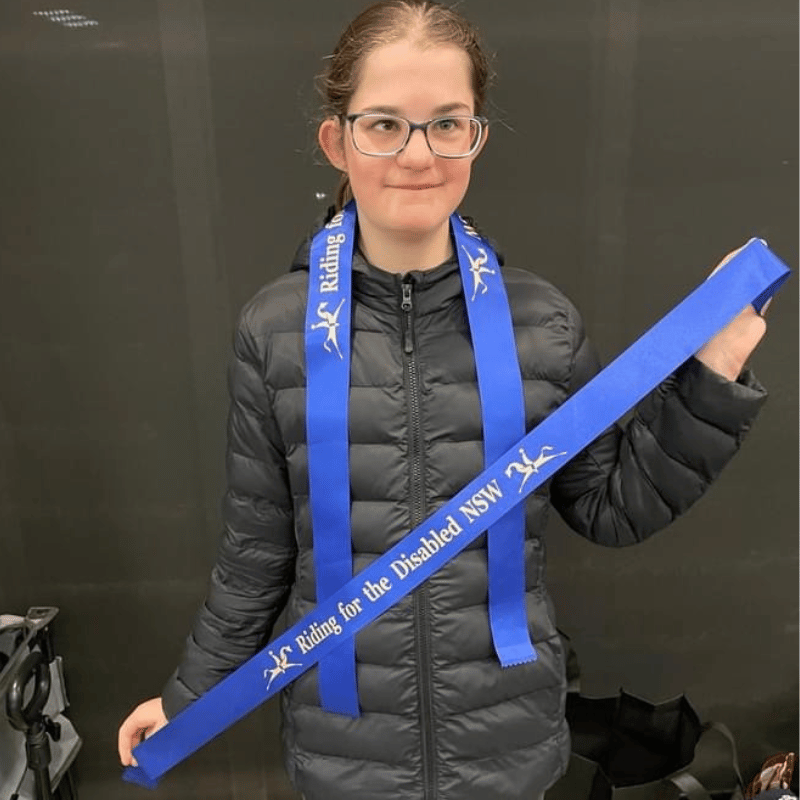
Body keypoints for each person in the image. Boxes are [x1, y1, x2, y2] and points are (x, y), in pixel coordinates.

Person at [117, 2, 772, 798]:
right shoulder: (274, 331)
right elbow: (256, 558)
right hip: (345, 751)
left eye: (446, 123)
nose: (417, 153)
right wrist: (188, 702)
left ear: (476, 137)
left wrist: (714, 365)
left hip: (509, 743)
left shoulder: (545, 322)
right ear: (338, 140)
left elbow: (614, 506)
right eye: (384, 124)